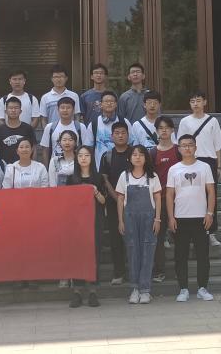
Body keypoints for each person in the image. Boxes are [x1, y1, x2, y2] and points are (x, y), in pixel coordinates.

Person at [166, 134, 216, 302]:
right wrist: (171, 217)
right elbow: (169, 194)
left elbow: (211, 191)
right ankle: (183, 289)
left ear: (195, 147)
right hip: (180, 218)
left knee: (203, 255)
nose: (187, 148)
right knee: (181, 255)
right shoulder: (173, 169)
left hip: (201, 218)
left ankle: (202, 288)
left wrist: (210, 213)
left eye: (190, 145)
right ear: (179, 149)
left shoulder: (205, 167)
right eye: (184, 145)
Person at [177, 91, 221, 246]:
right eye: (192, 101)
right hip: (191, 160)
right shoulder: (185, 121)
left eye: (198, 100)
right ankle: (192, 233)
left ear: (204, 102)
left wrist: (218, 165)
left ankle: (211, 232)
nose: (195, 104)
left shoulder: (212, 121)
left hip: (209, 161)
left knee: (211, 196)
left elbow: (217, 145)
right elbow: (180, 144)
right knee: (191, 196)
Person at [116, 145, 162, 304]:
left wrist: (157, 219)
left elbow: (158, 198)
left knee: (148, 252)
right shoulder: (124, 176)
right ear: (129, 158)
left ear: (146, 158)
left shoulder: (152, 176)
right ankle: (135, 289)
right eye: (134, 154)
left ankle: (145, 290)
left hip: (149, 219)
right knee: (133, 252)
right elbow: (120, 199)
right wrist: (121, 220)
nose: (137, 157)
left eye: (141, 154)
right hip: (129, 219)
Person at [67, 145, 104, 308]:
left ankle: (93, 292)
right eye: (80, 155)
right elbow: (66, 203)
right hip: (77, 223)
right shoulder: (71, 179)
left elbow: (103, 201)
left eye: (87, 155)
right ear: (76, 158)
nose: (83, 158)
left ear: (91, 158)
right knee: (77, 256)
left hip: (95, 220)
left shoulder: (99, 178)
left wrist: (95, 191)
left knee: (94, 255)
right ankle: (77, 291)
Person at [98, 122, 132, 285]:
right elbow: (104, 180)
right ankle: (119, 272)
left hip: (134, 202)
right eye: (117, 133)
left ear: (128, 135)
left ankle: (135, 271)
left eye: (123, 132)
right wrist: (118, 198)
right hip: (113, 203)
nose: (120, 135)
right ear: (111, 136)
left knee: (134, 239)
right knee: (116, 239)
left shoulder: (136, 153)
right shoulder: (107, 156)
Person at [149, 116, 181, 283]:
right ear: (156, 131)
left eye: (167, 127)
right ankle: (159, 271)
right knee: (158, 237)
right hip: (159, 200)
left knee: (180, 237)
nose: (164, 130)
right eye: (160, 128)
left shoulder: (178, 151)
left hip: (179, 200)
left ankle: (180, 270)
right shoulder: (152, 153)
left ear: (172, 130)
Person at [39, 97, 93, 161]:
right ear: (58, 109)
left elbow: (86, 148)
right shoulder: (50, 127)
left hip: (75, 164)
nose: (65, 110)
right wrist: (46, 166)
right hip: (55, 164)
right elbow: (45, 149)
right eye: (62, 108)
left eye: (68, 108)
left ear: (73, 110)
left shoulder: (81, 127)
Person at [0, 96, 36, 164]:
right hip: (4, 167)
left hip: (24, 166)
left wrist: (33, 164)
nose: (13, 110)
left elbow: (33, 148)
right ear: (5, 111)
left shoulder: (28, 128)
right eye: (10, 108)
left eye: (16, 108)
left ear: (20, 111)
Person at [91, 90, 125, 163]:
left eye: (112, 101)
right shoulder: (94, 123)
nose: (109, 103)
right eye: (106, 101)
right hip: (100, 165)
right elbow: (88, 146)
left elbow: (131, 142)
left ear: (116, 104)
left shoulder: (123, 121)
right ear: (101, 104)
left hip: (121, 163)